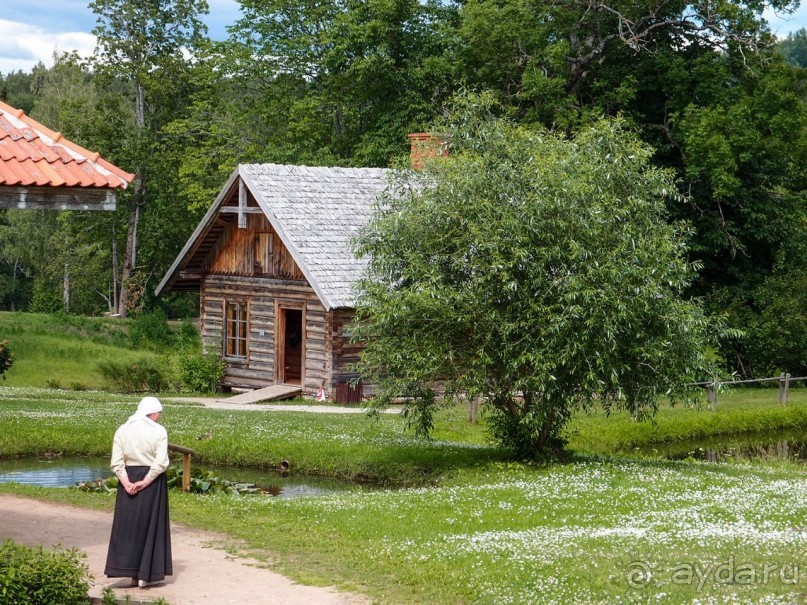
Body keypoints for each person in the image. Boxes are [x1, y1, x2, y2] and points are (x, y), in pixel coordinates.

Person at [104, 396, 172, 588]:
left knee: (128, 526)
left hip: (128, 476)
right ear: (152, 413)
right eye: (159, 413)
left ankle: (129, 569)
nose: (159, 417)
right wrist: (146, 480)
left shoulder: (122, 430)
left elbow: (116, 462)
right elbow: (160, 462)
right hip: (151, 478)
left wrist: (126, 482)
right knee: (151, 525)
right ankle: (145, 575)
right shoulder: (159, 431)